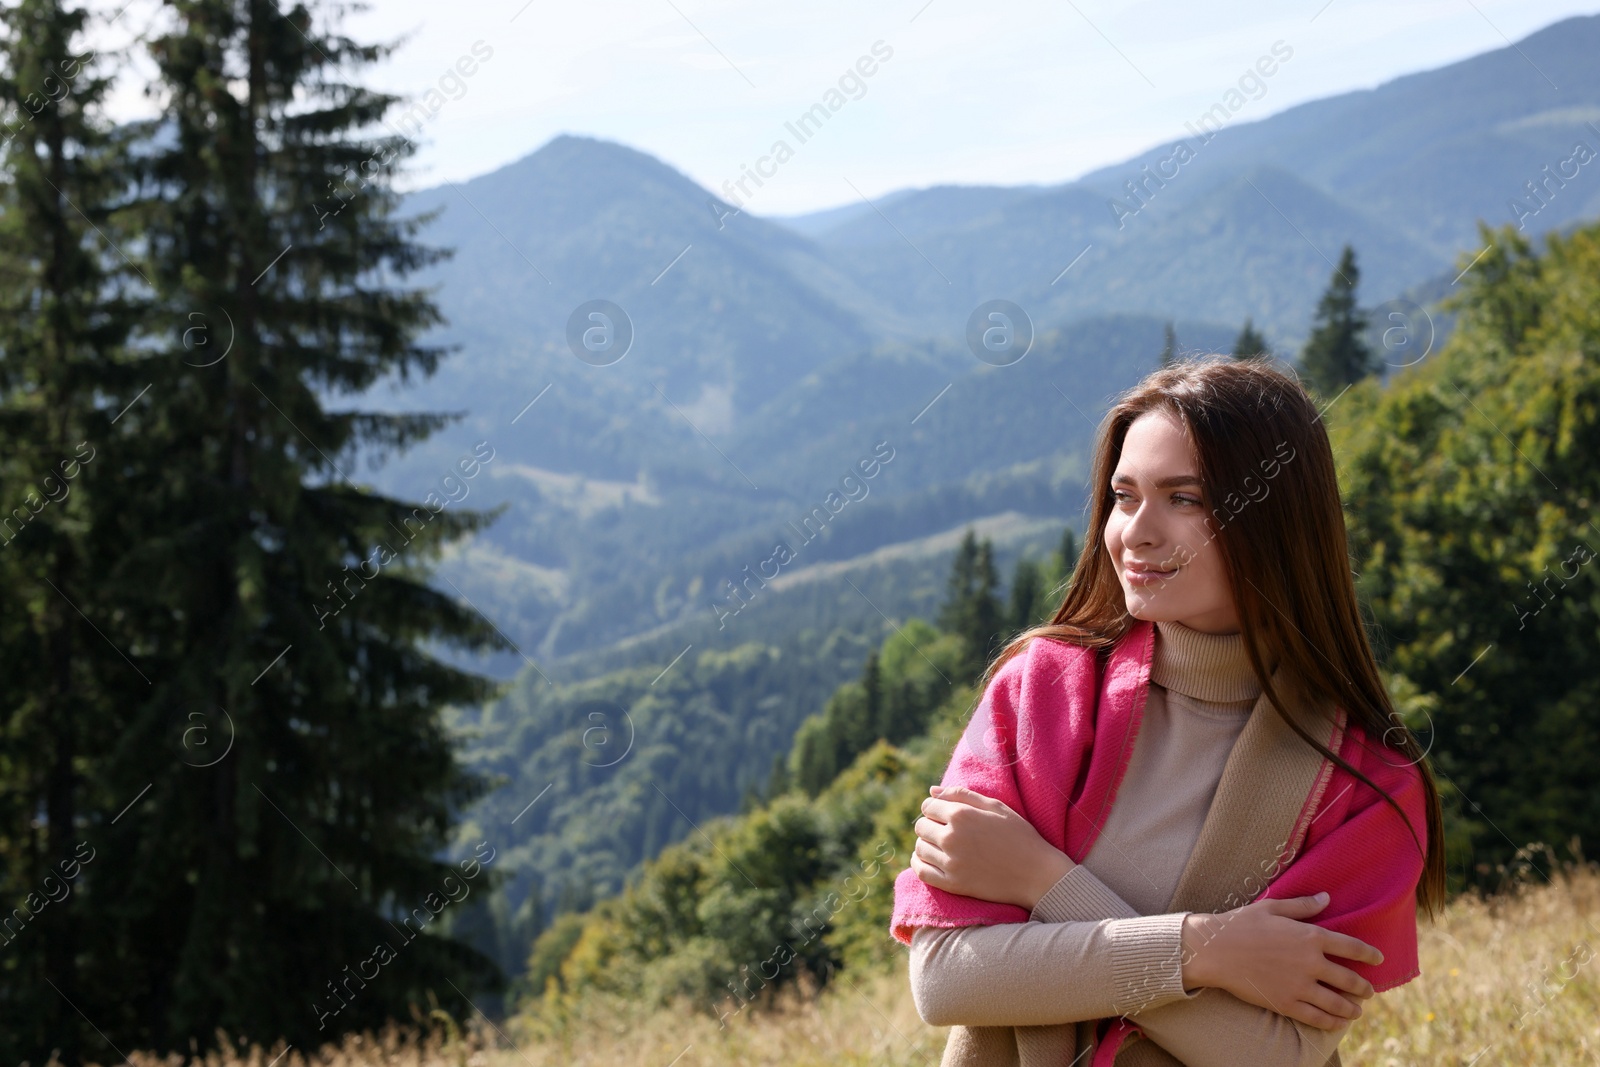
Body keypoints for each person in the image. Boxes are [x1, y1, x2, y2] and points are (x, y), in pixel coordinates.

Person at [889, 357, 1445, 1067]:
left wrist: (1041, 882)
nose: (1136, 533)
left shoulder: (1366, 782)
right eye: (1125, 496)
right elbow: (947, 978)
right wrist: (1209, 951)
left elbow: (1269, 1051)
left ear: (1275, 517)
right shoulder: (1041, 693)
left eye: (1185, 498)